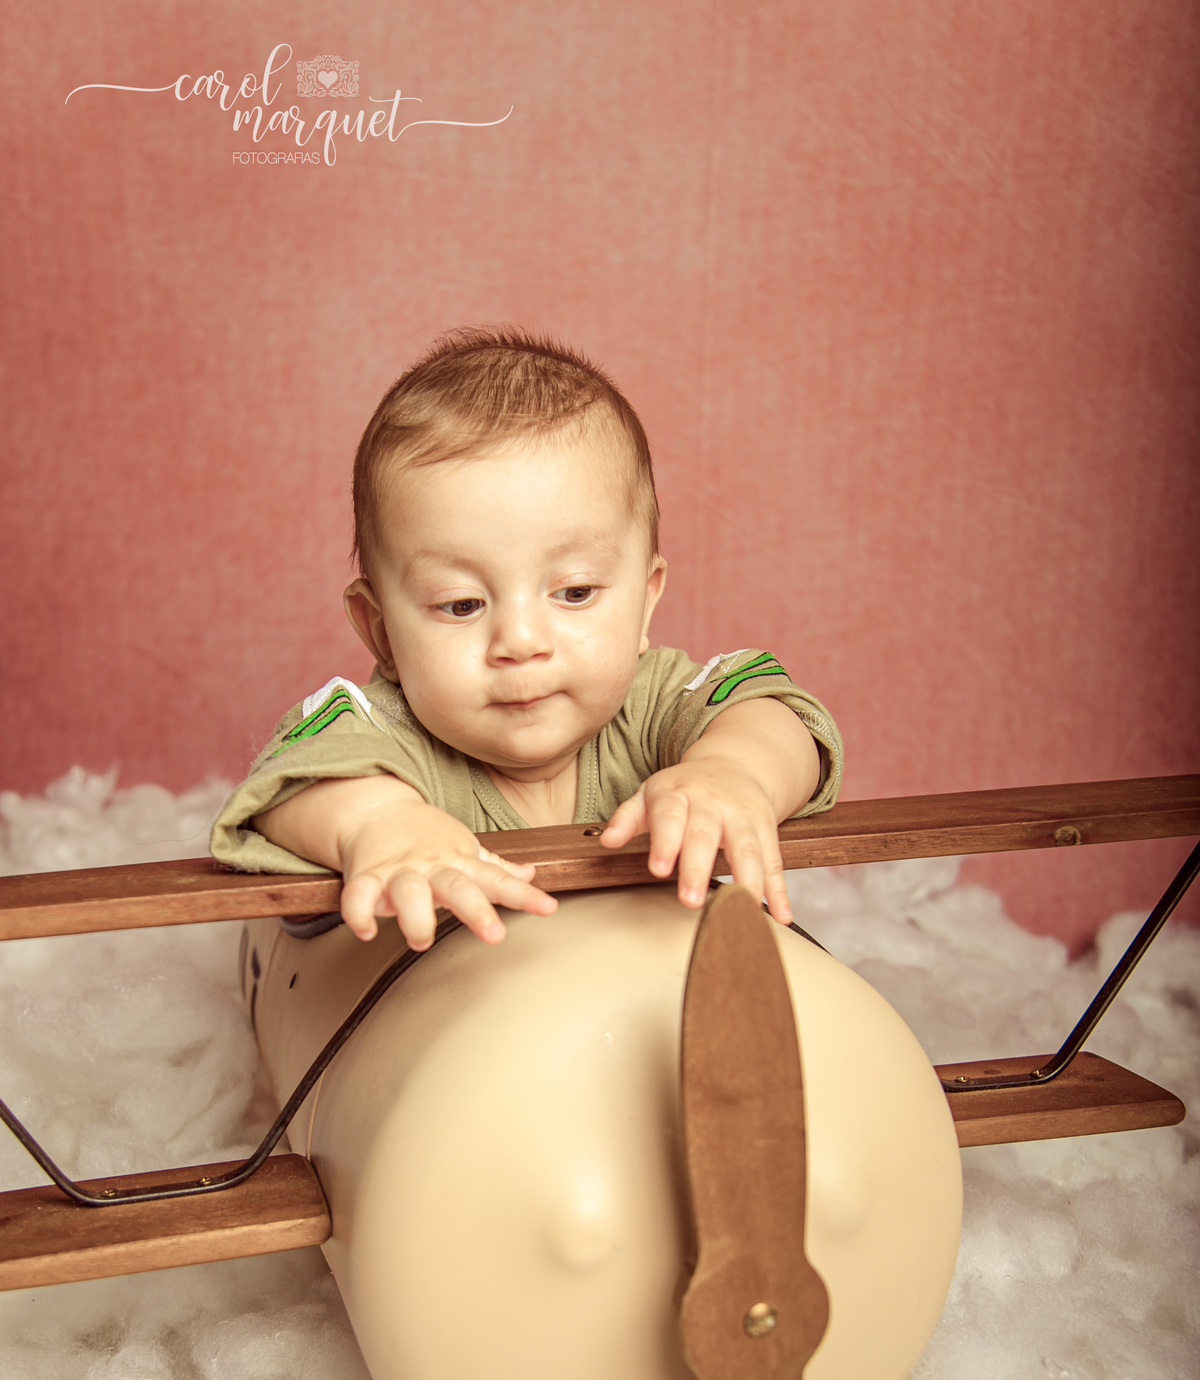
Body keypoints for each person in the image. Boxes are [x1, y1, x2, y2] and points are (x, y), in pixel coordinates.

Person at [211, 328, 844, 952]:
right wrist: (380, 824)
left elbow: (773, 709)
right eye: (462, 604)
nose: (520, 642)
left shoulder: (654, 705)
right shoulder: (382, 735)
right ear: (380, 632)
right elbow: (293, 782)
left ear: (646, 599)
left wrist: (733, 771)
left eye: (574, 593)